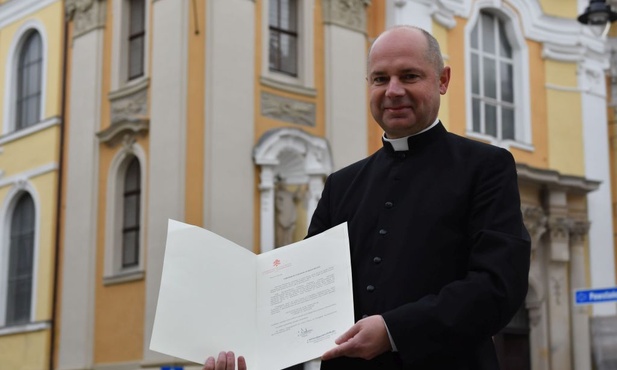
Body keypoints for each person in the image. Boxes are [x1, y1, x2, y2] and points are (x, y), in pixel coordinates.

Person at [204, 25, 531, 370]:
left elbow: (497, 286)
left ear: (443, 80)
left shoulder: (486, 168)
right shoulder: (340, 186)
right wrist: (248, 355)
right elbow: (302, 296)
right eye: (380, 79)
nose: (393, 91)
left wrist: (393, 331)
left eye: (409, 76)